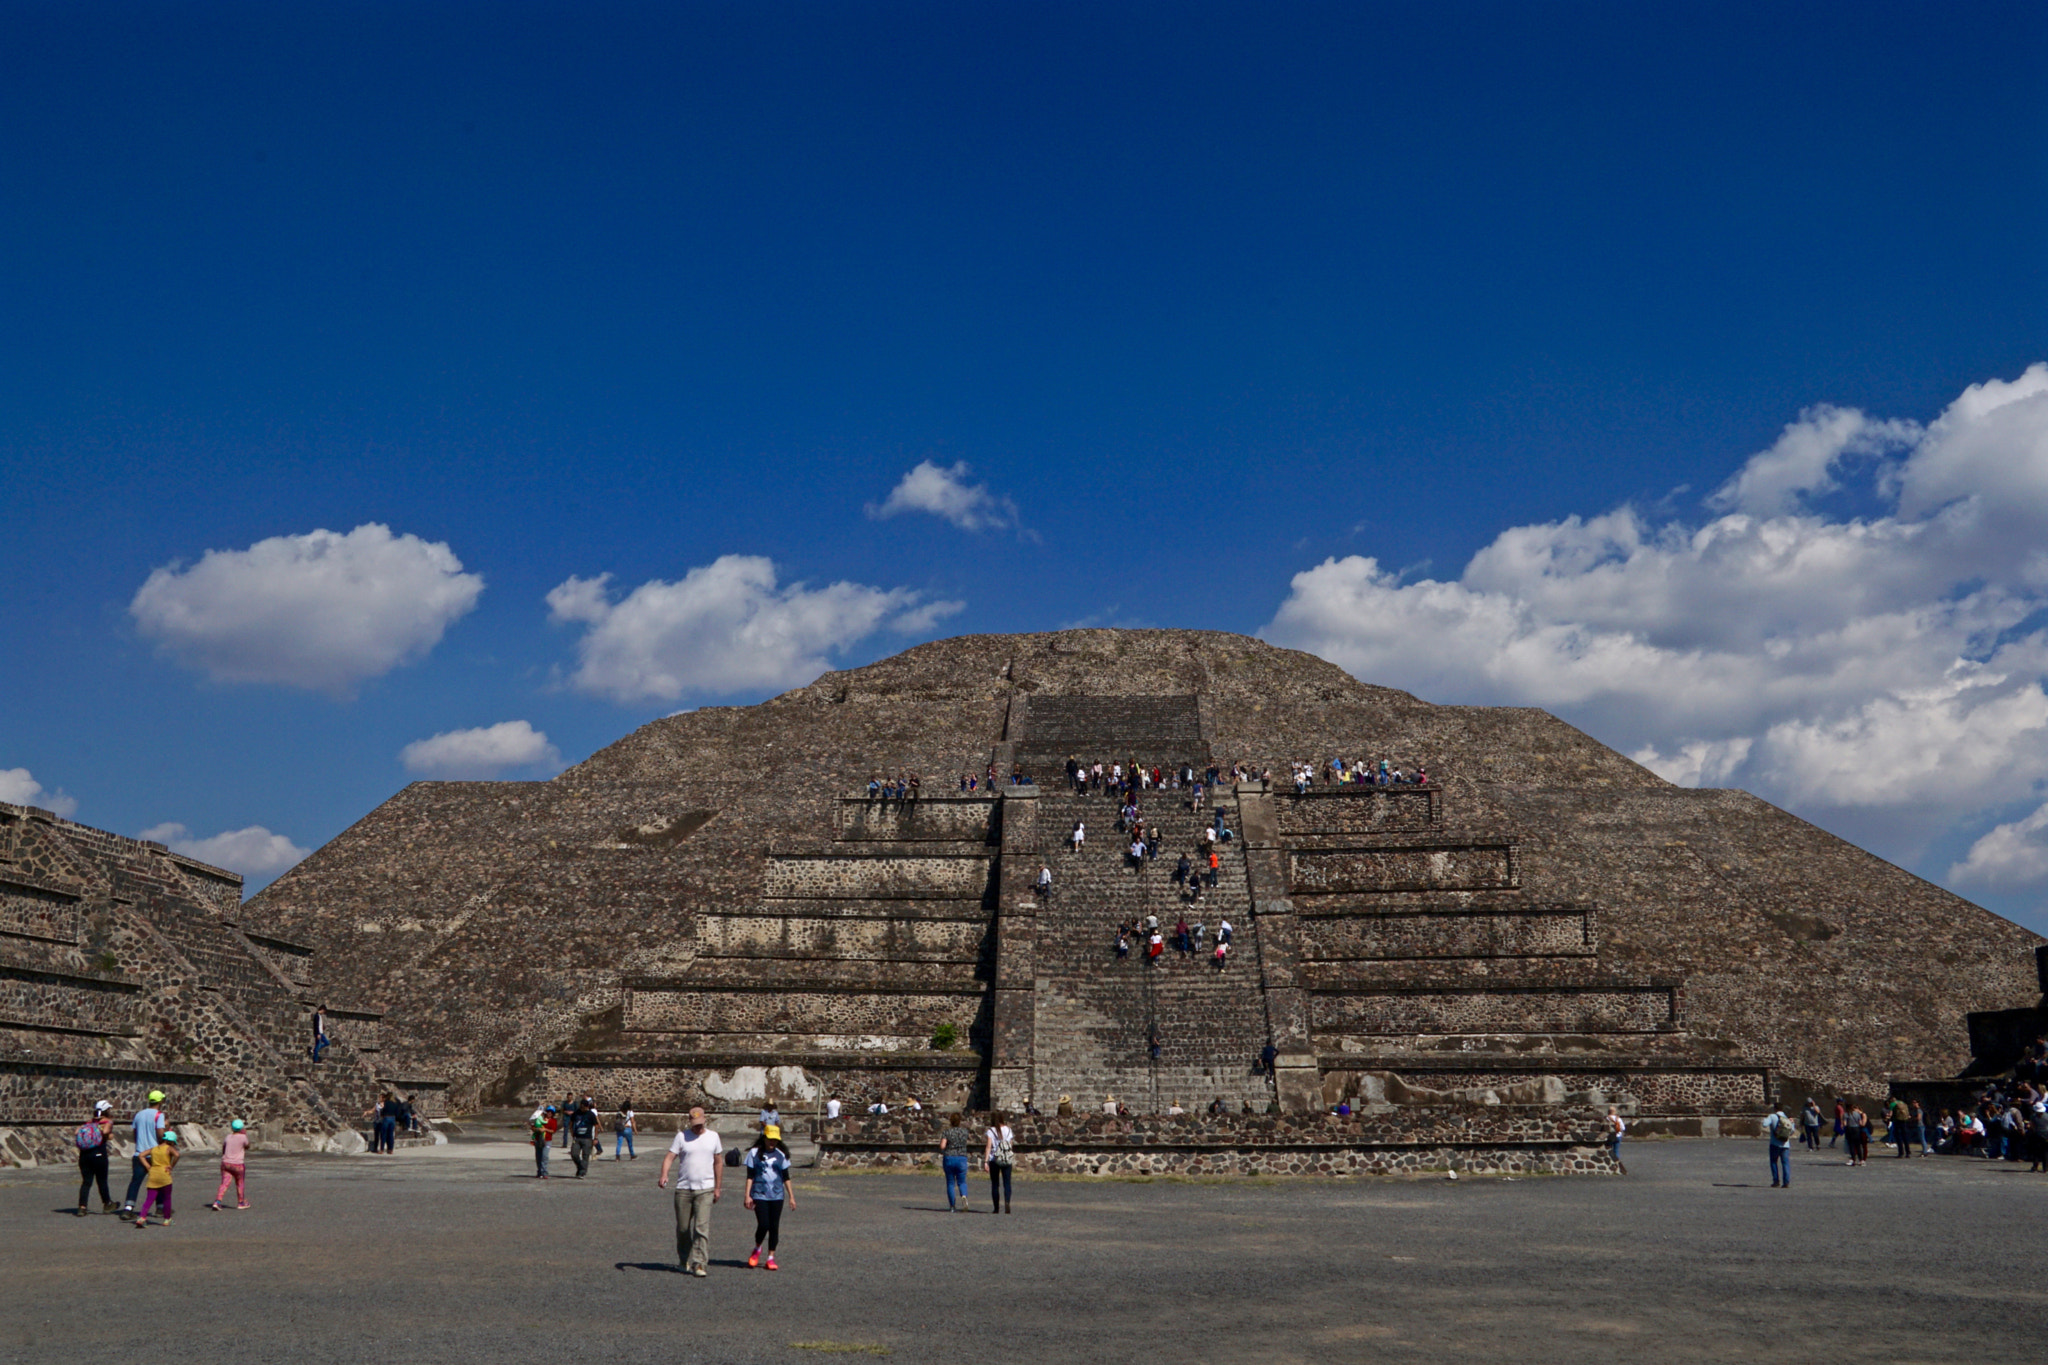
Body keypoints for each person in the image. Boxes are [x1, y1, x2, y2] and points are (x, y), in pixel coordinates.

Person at [658, 1108, 724, 1277]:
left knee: (701, 1227)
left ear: (705, 1121)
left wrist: (717, 1187)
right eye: (694, 1125)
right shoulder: (681, 1137)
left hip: (705, 1188)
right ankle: (683, 1259)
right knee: (683, 1228)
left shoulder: (713, 1137)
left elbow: (718, 1162)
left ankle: (700, 1263)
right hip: (684, 1188)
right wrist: (664, 1174)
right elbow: (669, 1157)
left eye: (700, 1125)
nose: (697, 1128)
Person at [742, 1124, 795, 1269]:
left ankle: (771, 1257)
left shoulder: (781, 1155)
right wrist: (747, 1195)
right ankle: (757, 1248)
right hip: (759, 1193)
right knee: (763, 1224)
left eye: (775, 1140)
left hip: (777, 1195)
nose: (772, 1143)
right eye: (770, 1139)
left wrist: (791, 1196)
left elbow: (786, 1177)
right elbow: (750, 1176)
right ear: (764, 1138)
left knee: (774, 1227)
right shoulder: (754, 1154)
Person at [120, 1090, 168, 1219]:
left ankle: (128, 1208)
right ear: (160, 1101)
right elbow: (160, 1133)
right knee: (160, 1181)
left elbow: (135, 1133)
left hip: (139, 1153)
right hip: (154, 1154)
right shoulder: (159, 1115)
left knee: (135, 1182)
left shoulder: (139, 1115)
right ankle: (160, 1208)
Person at [75, 1099, 115, 1216]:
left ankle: (82, 1207)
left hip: (84, 1154)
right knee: (102, 1180)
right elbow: (106, 1132)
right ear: (106, 1111)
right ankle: (107, 1203)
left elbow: (77, 1132)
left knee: (86, 1182)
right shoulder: (107, 1122)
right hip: (99, 1154)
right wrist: (109, 1135)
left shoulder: (88, 1123)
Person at [133, 1129, 179, 1228]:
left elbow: (141, 1155)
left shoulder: (154, 1148)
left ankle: (142, 1217)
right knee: (166, 1198)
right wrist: (171, 1165)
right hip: (164, 1174)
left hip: (153, 1174)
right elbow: (177, 1155)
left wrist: (148, 1166)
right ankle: (167, 1219)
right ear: (171, 1141)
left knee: (149, 1198)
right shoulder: (169, 1148)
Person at [938, 1112, 978, 1212]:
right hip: (961, 1157)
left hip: (949, 1158)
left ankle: (952, 1206)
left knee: (950, 1183)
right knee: (962, 1182)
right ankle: (964, 1196)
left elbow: (942, 1146)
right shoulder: (964, 1132)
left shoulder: (947, 1132)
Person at [209, 1119, 251, 1210]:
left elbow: (224, 1149)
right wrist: (245, 1135)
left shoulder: (228, 1137)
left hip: (226, 1163)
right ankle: (241, 1202)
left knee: (224, 1183)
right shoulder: (243, 1137)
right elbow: (247, 1146)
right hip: (238, 1164)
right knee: (240, 1183)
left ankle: (217, 1201)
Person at [984, 1110, 1015, 1214]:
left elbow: (989, 1146)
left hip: (994, 1159)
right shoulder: (1008, 1130)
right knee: (1007, 1183)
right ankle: (1007, 1201)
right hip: (1006, 1158)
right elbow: (1010, 1145)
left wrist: (986, 1161)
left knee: (995, 1184)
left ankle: (996, 1207)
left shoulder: (991, 1131)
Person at [1764, 1104, 1795, 1187]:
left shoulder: (1772, 1116)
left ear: (1775, 1108)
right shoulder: (1787, 1117)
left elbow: (1764, 1124)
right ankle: (1786, 1182)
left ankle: (1776, 1181)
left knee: (1774, 1162)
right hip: (1785, 1144)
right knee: (1785, 1163)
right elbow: (1792, 1131)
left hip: (1774, 1143)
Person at [569, 1099, 598, 1177]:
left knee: (585, 1156)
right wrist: (572, 1133)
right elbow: (571, 1123)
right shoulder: (576, 1113)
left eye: (584, 1107)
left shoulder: (591, 1114)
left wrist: (595, 1138)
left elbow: (596, 1125)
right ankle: (580, 1166)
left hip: (587, 1138)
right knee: (574, 1154)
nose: (583, 1108)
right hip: (577, 1137)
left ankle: (582, 1172)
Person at [530, 1104, 557, 1178]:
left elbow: (553, 1131)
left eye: (551, 1112)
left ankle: (544, 1172)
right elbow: (533, 1127)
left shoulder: (553, 1121)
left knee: (545, 1156)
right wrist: (537, 1129)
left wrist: (545, 1129)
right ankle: (539, 1171)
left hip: (547, 1140)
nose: (549, 1113)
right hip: (538, 1139)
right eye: (548, 1112)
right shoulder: (540, 1118)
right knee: (538, 1156)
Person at [1605, 1108, 1627, 1174]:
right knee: (1616, 1150)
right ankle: (1617, 1165)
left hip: (1610, 1137)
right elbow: (1623, 1128)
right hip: (1618, 1136)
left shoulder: (1607, 1118)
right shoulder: (1618, 1118)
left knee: (1609, 1150)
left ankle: (1610, 1164)